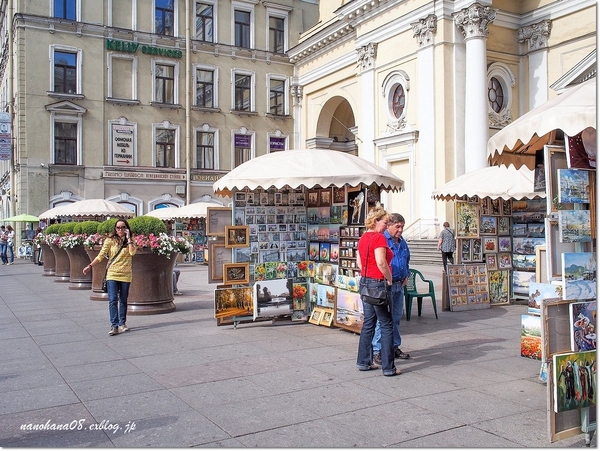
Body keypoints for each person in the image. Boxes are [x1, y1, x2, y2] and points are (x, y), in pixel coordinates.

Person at [355, 203, 402, 377]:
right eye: (385, 222)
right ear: (376, 221)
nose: (386, 226)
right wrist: (389, 279)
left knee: (368, 323)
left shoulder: (363, 238)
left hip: (365, 283)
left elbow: (359, 262)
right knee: (386, 324)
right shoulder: (378, 238)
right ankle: (389, 367)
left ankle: (363, 361)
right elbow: (381, 262)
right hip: (378, 284)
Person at [83, 218, 137, 336]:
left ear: (126, 228)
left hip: (126, 274)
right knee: (113, 300)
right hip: (112, 273)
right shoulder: (110, 240)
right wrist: (90, 266)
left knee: (123, 300)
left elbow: (132, 253)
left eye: (123, 227)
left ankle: (122, 323)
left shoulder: (131, 240)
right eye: (118, 227)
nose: (120, 230)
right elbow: (101, 255)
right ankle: (114, 325)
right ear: (115, 228)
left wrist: (128, 239)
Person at [371, 213, 411, 365]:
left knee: (396, 317)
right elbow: (380, 261)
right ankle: (378, 350)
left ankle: (394, 346)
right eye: (397, 227)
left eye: (402, 226)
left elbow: (406, 257)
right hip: (386, 284)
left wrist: (406, 273)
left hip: (399, 284)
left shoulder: (401, 241)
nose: (400, 230)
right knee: (383, 320)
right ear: (389, 226)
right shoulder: (382, 239)